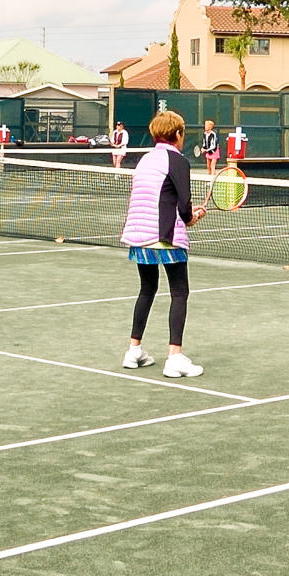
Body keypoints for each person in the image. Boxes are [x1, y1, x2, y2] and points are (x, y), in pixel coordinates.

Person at [119, 109, 206, 379]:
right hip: (164, 236)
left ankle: (133, 351)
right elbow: (183, 205)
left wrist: (186, 215)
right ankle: (175, 357)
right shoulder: (178, 161)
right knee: (180, 291)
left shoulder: (145, 160)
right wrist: (192, 217)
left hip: (138, 234)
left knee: (148, 288)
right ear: (178, 134)